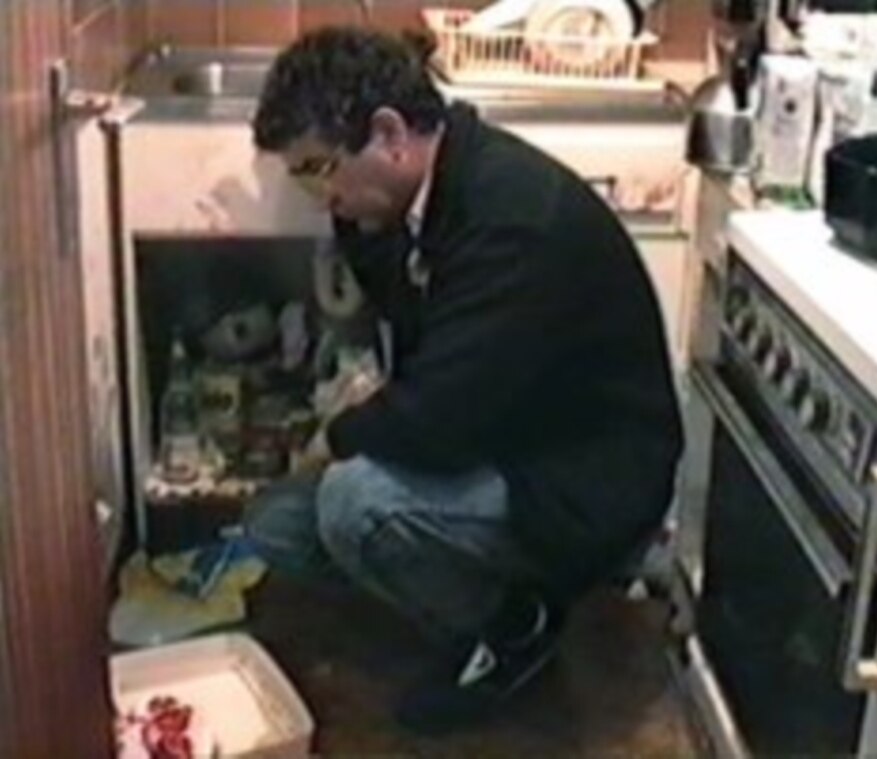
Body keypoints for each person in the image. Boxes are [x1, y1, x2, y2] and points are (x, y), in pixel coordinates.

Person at [246, 26, 684, 734]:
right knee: (275, 527)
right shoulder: (408, 199)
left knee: (354, 504)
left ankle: (517, 625)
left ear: (389, 134)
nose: (321, 197)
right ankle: (482, 594)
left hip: (579, 480)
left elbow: (436, 419)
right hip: (501, 438)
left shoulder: (512, 219)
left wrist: (335, 434)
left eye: (320, 168)